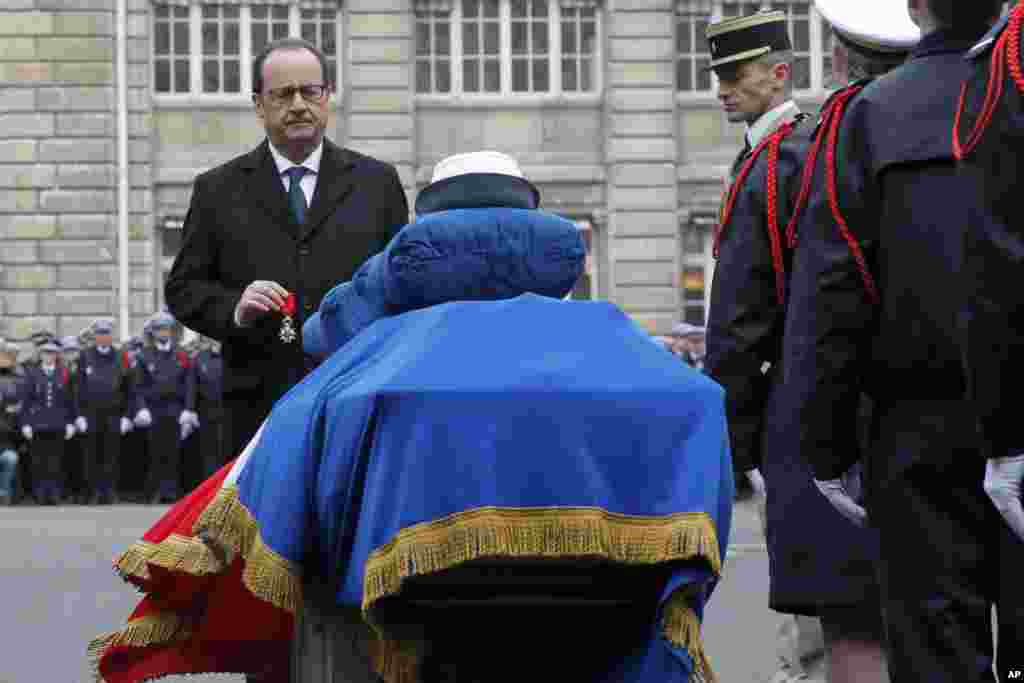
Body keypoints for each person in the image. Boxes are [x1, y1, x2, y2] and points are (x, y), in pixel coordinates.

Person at [783, 1, 1018, 680]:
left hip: (916, 424)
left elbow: (836, 290)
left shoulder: (871, 114)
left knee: (936, 641)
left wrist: (826, 443)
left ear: (917, 9)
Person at [165, 36, 410, 466]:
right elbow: (184, 288)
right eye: (282, 94)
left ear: (328, 96)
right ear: (259, 105)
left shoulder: (377, 183)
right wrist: (234, 308)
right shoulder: (217, 189)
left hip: (354, 393)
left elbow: (403, 287)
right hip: (256, 403)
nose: (298, 104)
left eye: (310, 91)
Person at [700, 12, 828, 683]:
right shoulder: (779, 151)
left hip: (789, 394)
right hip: (804, 388)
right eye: (718, 75)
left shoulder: (781, 159)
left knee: (807, 576)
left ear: (780, 73)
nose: (722, 88)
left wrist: (734, 433)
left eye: (736, 75)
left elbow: (744, 315)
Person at [132, 312, 197, 504]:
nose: (163, 333)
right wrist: (141, 408)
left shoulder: (181, 354)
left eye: (166, 329)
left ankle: (171, 491)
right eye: (159, 329)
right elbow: (138, 386)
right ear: (153, 333)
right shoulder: (144, 355)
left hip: (175, 409)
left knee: (173, 453)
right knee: (154, 453)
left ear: (171, 331)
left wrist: (189, 409)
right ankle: (153, 491)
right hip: (154, 410)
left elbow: (189, 384)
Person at [76, 319, 137, 505]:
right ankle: (92, 492)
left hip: (114, 413)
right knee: (91, 454)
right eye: (100, 334)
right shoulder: (85, 356)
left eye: (107, 334)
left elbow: (129, 389)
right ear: (95, 337)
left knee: (112, 454)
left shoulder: (121, 356)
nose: (104, 338)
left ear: (111, 336)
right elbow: (77, 388)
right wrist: (79, 415)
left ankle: (109, 491)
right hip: (91, 413)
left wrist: (127, 415)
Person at [20, 340, 76, 505]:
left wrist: (71, 422)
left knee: (56, 461)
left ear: (56, 355)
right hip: (38, 424)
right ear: (41, 355)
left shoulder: (64, 374)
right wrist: (25, 424)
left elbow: (70, 400)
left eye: (52, 353)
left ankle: (55, 493)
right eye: (45, 353)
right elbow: (26, 401)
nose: (48, 356)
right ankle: (40, 494)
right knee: (38, 461)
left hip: (58, 424)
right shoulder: (32, 374)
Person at [193, 336, 225, 484]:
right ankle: (209, 487)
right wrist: (190, 410)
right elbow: (192, 385)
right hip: (206, 410)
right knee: (208, 452)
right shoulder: (200, 357)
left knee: (226, 451)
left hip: (228, 411)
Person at [0, 339, 24, 506]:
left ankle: (4, 493)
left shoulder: (16, 377)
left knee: (11, 458)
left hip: (6, 436)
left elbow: (17, 407)